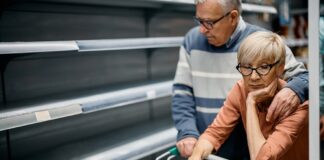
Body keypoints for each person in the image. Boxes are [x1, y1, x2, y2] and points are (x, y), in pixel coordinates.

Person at [172, 0, 309, 158]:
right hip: (219, 152)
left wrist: (295, 89)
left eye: (209, 22)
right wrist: (189, 136)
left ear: (232, 17)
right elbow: (211, 129)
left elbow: (304, 78)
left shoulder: (266, 43)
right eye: (199, 20)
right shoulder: (241, 88)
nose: (253, 77)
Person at [189, 31, 308, 160]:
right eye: (246, 67)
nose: (253, 77)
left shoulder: (296, 104)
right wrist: (195, 156)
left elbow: (261, 157)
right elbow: (214, 133)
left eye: (263, 67)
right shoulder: (241, 89)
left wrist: (250, 102)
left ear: (280, 68)